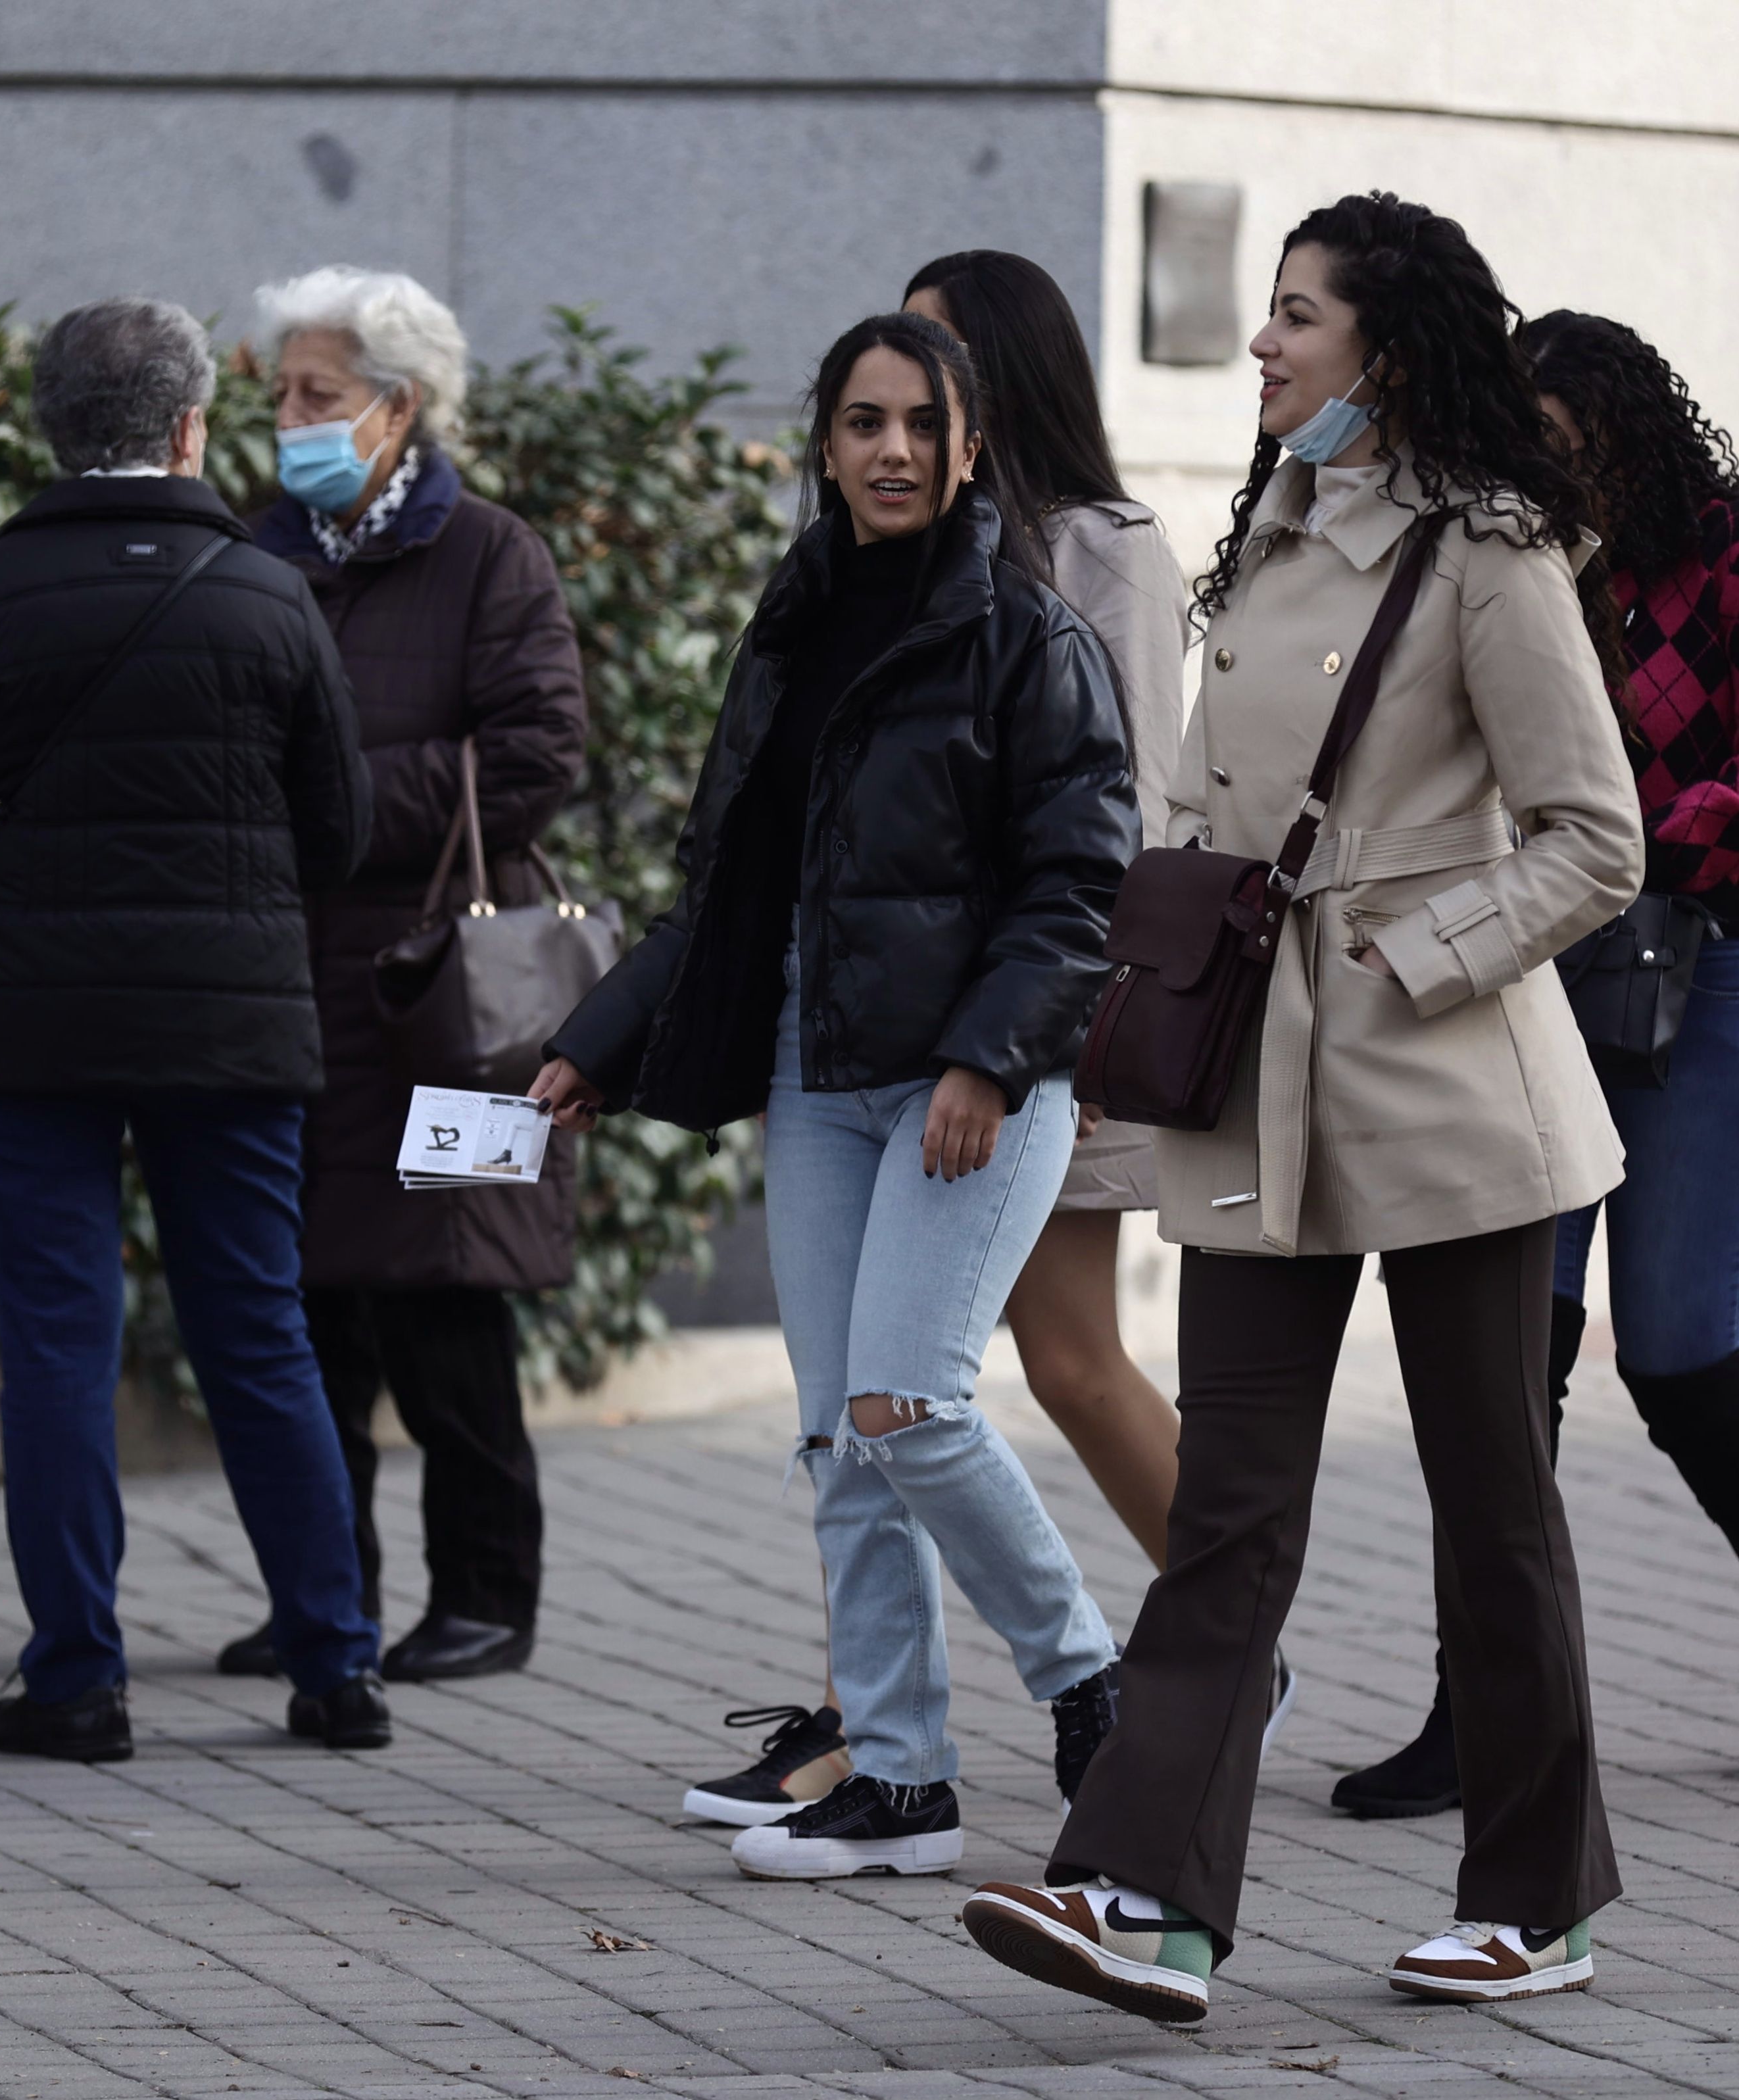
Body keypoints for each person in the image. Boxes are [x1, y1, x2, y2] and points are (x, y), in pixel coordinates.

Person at [960, 193, 1644, 2021]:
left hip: (1452, 1097)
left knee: (1490, 1504)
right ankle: (1139, 1898)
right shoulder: (1266, 527)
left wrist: (1417, 958)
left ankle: (1532, 1896)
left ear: (1384, 353)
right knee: (1230, 1508)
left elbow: (1593, 841)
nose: (1260, 347)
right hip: (1250, 1085)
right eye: (1261, 316)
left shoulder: (1489, 555)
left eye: (1295, 318)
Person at [677, 252, 1298, 1829]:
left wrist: (1019, 1042)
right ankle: (885, 1740)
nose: (896, 428)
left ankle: (1211, 1661)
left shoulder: (1084, 565)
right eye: (863, 403)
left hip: (1031, 1037)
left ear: (985, 405)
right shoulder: (830, 589)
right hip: (880, 1047)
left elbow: (1118, 825)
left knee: (1005, 1373)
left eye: (931, 382)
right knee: (876, 1400)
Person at [537, 310, 1140, 1881]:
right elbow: (730, 877)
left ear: (968, 451)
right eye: (860, 422)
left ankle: (1088, 1679)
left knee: (907, 1404)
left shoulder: (1028, 636)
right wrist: (601, 1035)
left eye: (916, 425)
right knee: (835, 1436)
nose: (888, 450)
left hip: (971, 1082)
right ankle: (898, 1779)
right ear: (823, 443)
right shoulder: (793, 622)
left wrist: (983, 1057)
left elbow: (1079, 885)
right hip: (818, 1068)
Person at [1333, 309, 1739, 1818]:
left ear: (1633, 428)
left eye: (1570, 448)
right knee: (1511, 1362)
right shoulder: (1518, 571)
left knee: (1680, 1357)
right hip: (1538, 985)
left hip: (1713, 991)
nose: (1551, 477)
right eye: (1530, 451)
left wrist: (1601, 849)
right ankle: (1473, 1716)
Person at [0, 298, 389, 1760]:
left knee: (58, 1344)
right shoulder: (265, 592)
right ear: (189, 428)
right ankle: (336, 1666)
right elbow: (338, 835)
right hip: (230, 1032)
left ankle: (76, 1678)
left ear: (47, 430)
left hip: (26, 1034)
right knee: (259, 1333)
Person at [211, 266, 587, 1688]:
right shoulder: (253, 551)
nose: (292, 420)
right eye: (280, 394)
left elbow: (537, 755)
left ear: (397, 408)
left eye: (319, 395)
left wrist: (327, 798)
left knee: (445, 1295)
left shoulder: (489, 553)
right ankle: (326, 1596)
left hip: (445, 1001)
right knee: (306, 1304)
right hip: (285, 982)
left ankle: (486, 1593)